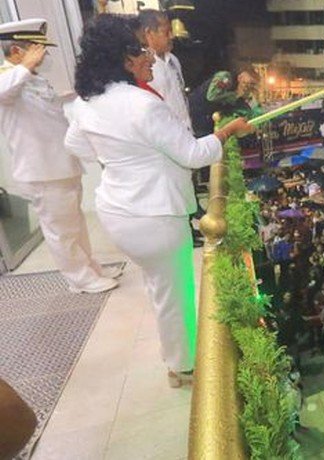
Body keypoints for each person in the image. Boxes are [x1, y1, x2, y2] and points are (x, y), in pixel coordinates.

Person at [65, 14, 252, 387]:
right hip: (153, 215)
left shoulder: (86, 102)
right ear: (123, 58)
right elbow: (194, 155)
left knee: (159, 286)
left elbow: (76, 146)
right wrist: (229, 131)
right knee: (175, 295)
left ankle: (176, 357)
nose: (150, 57)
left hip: (118, 211)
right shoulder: (140, 104)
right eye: (141, 50)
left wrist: (123, 160)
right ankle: (184, 368)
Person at [0, 18, 120, 293]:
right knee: (61, 230)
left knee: (75, 225)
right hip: (41, 170)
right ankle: (79, 279)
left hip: (61, 164)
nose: (43, 56)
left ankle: (90, 269)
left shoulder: (32, 79)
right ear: (17, 51)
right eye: (36, 49)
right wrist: (25, 65)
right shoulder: (8, 77)